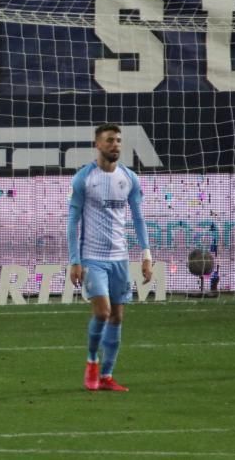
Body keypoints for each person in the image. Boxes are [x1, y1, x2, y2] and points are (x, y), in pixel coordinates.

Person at [67, 123, 153, 392]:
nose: (115, 144)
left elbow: (138, 218)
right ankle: (91, 362)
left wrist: (146, 254)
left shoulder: (129, 178)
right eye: (109, 140)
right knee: (102, 313)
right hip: (92, 258)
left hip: (120, 258)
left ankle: (107, 375)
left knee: (117, 317)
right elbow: (73, 221)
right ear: (97, 144)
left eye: (118, 140)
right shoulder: (84, 178)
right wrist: (74, 260)